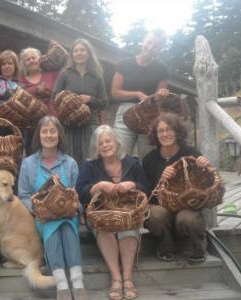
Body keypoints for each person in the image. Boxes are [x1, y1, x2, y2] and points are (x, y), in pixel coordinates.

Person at [76, 125, 149, 300]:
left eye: (108, 141)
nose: (105, 145)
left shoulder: (132, 163)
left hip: (128, 213)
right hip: (101, 214)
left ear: (116, 143)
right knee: (104, 230)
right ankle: (116, 278)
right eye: (101, 143)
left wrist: (133, 185)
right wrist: (99, 186)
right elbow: (80, 192)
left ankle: (128, 278)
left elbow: (146, 188)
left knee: (129, 228)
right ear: (97, 148)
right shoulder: (90, 166)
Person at [18, 116, 88, 300]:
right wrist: (38, 209)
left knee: (65, 223)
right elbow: (23, 195)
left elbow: (77, 195)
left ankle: (76, 280)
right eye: (45, 131)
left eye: (53, 131)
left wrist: (74, 206)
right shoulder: (28, 164)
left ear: (59, 135)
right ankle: (63, 285)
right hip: (42, 218)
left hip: (67, 216)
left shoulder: (70, 163)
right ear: (38, 135)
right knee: (52, 225)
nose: (49, 135)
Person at [142, 113, 209, 263]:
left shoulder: (192, 153)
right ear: (155, 134)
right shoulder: (149, 159)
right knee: (156, 214)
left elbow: (206, 186)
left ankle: (199, 247)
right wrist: (162, 179)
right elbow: (146, 193)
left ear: (178, 132)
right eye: (161, 130)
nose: (165, 134)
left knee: (187, 218)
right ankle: (165, 246)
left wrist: (203, 169)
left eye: (169, 129)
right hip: (161, 208)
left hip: (186, 207)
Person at [111, 29, 169, 159]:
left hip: (150, 115)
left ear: (160, 49)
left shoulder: (162, 69)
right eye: (149, 43)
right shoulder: (124, 64)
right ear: (143, 41)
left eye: (156, 46)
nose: (150, 47)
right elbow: (115, 93)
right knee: (120, 156)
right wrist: (137, 94)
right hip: (125, 113)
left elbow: (159, 99)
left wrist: (161, 94)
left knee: (149, 158)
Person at [54, 38, 107, 168]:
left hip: (90, 123)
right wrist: (68, 101)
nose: (79, 53)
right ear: (72, 54)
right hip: (69, 124)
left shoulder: (97, 76)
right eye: (76, 51)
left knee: (91, 159)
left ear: (89, 53)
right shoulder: (65, 73)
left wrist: (90, 99)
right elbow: (55, 96)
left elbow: (104, 102)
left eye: (82, 50)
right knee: (68, 159)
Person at [19, 46, 60, 116]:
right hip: (31, 121)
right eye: (28, 60)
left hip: (54, 119)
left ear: (39, 59)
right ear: (24, 64)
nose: (31, 61)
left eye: (34, 58)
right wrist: (36, 90)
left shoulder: (53, 74)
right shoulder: (21, 80)